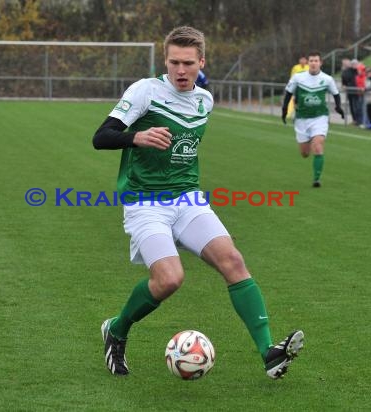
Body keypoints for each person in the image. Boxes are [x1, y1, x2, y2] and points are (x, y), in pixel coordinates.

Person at [92, 26, 304, 380]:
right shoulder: (146, 91)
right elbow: (101, 137)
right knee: (170, 279)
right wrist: (137, 136)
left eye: (188, 63)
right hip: (146, 203)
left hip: (188, 199)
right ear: (165, 60)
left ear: (201, 62)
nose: (180, 70)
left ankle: (269, 354)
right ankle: (117, 328)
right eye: (174, 61)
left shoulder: (205, 100)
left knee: (233, 261)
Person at [281, 51, 345, 188]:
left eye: (316, 61)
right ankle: (309, 139)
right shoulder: (298, 78)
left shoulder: (327, 79)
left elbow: (336, 94)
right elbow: (288, 93)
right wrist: (284, 109)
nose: (313, 63)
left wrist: (338, 107)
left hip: (320, 117)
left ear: (320, 63)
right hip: (302, 119)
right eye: (311, 60)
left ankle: (317, 179)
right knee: (304, 153)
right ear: (308, 63)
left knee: (318, 145)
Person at [341, 58, 359, 124]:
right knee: (352, 106)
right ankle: (355, 120)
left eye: (356, 64)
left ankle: (359, 120)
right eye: (353, 64)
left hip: (358, 92)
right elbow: (344, 81)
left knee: (357, 106)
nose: (355, 65)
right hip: (351, 92)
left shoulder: (358, 70)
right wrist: (344, 85)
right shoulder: (346, 72)